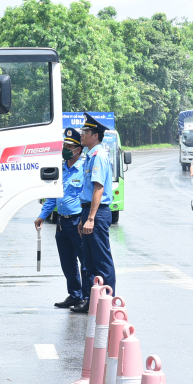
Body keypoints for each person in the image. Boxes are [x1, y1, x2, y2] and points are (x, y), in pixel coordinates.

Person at [35, 129, 87, 308]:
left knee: (84, 262)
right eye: (64, 146)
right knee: (68, 262)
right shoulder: (61, 169)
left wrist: (84, 219)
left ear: (78, 150)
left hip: (77, 221)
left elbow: (87, 195)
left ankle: (87, 298)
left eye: (69, 146)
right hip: (62, 223)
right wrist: (42, 216)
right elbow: (52, 197)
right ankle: (74, 295)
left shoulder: (84, 169)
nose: (65, 149)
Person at [73, 113, 115, 312]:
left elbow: (98, 189)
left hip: (96, 213)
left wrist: (90, 218)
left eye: (85, 132)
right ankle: (91, 302)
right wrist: (84, 217)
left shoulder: (99, 156)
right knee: (88, 262)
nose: (82, 135)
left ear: (95, 135)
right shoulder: (89, 156)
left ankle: (107, 302)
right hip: (88, 212)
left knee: (101, 260)